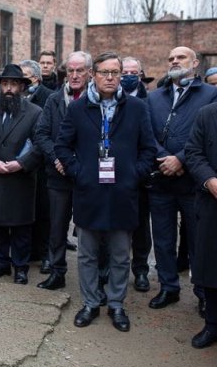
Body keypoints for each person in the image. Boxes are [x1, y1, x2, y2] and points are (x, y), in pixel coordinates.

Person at [55, 52, 157, 332]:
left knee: (121, 254)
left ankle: (116, 304)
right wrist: (79, 172)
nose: (110, 78)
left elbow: (149, 149)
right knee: (87, 253)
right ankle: (90, 303)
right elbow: (62, 146)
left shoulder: (136, 108)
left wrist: (134, 175)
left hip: (123, 192)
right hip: (89, 191)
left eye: (116, 72)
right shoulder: (78, 108)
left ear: (122, 74)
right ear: (94, 75)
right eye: (104, 72)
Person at [146, 47, 217, 316]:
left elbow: (205, 136)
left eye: (180, 57)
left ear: (195, 63)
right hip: (161, 182)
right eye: (170, 58)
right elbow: (147, 135)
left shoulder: (211, 94)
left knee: (198, 241)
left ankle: (202, 292)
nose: (174, 61)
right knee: (163, 240)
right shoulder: (154, 98)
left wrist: (180, 159)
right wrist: (164, 158)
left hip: (193, 184)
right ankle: (168, 287)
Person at [0, 64, 43, 285]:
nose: (8, 88)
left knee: (21, 226)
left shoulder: (34, 113)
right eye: (5, 83)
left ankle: (21, 266)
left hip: (20, 179)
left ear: (22, 87)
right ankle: (2, 262)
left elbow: (39, 145)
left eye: (13, 84)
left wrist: (21, 164)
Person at [35, 51, 92, 291]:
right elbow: (42, 134)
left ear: (89, 72)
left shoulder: (96, 99)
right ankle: (57, 271)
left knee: (90, 229)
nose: (75, 75)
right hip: (57, 175)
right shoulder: (54, 100)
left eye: (80, 70)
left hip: (87, 176)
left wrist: (76, 161)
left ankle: (95, 276)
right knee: (57, 227)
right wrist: (58, 158)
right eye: (71, 70)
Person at [185, 98, 217, 349]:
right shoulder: (208, 113)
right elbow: (193, 152)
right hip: (215, 204)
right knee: (215, 268)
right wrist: (210, 181)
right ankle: (215, 325)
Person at [120, 57, 152, 293]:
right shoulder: (110, 97)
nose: (129, 75)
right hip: (112, 175)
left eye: (134, 72)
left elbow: (152, 141)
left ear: (140, 75)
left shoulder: (150, 101)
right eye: (125, 72)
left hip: (139, 177)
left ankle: (140, 270)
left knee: (141, 227)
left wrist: (139, 170)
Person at [19, 59, 54, 273]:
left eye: (26, 77)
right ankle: (28, 250)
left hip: (41, 164)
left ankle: (46, 253)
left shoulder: (49, 97)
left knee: (44, 211)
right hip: (22, 164)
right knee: (25, 209)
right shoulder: (17, 98)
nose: (21, 82)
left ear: (36, 79)